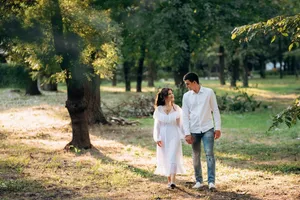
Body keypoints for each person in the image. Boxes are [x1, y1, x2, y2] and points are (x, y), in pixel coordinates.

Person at [182, 72, 221, 190]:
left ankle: (211, 182)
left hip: (207, 128)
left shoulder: (209, 93)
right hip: (193, 130)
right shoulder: (186, 96)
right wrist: (187, 133)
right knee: (196, 155)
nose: (187, 86)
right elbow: (184, 115)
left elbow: (215, 110)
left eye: (188, 84)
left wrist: (218, 128)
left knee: (209, 154)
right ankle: (199, 181)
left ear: (194, 82)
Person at [153, 87, 186, 189]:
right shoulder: (159, 109)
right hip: (163, 135)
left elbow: (181, 125)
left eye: (172, 93)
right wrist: (157, 138)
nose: (172, 95)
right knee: (165, 157)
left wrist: (186, 135)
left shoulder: (177, 109)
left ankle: (173, 181)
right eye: (169, 94)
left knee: (172, 156)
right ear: (164, 96)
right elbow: (157, 125)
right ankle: (168, 180)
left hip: (174, 134)